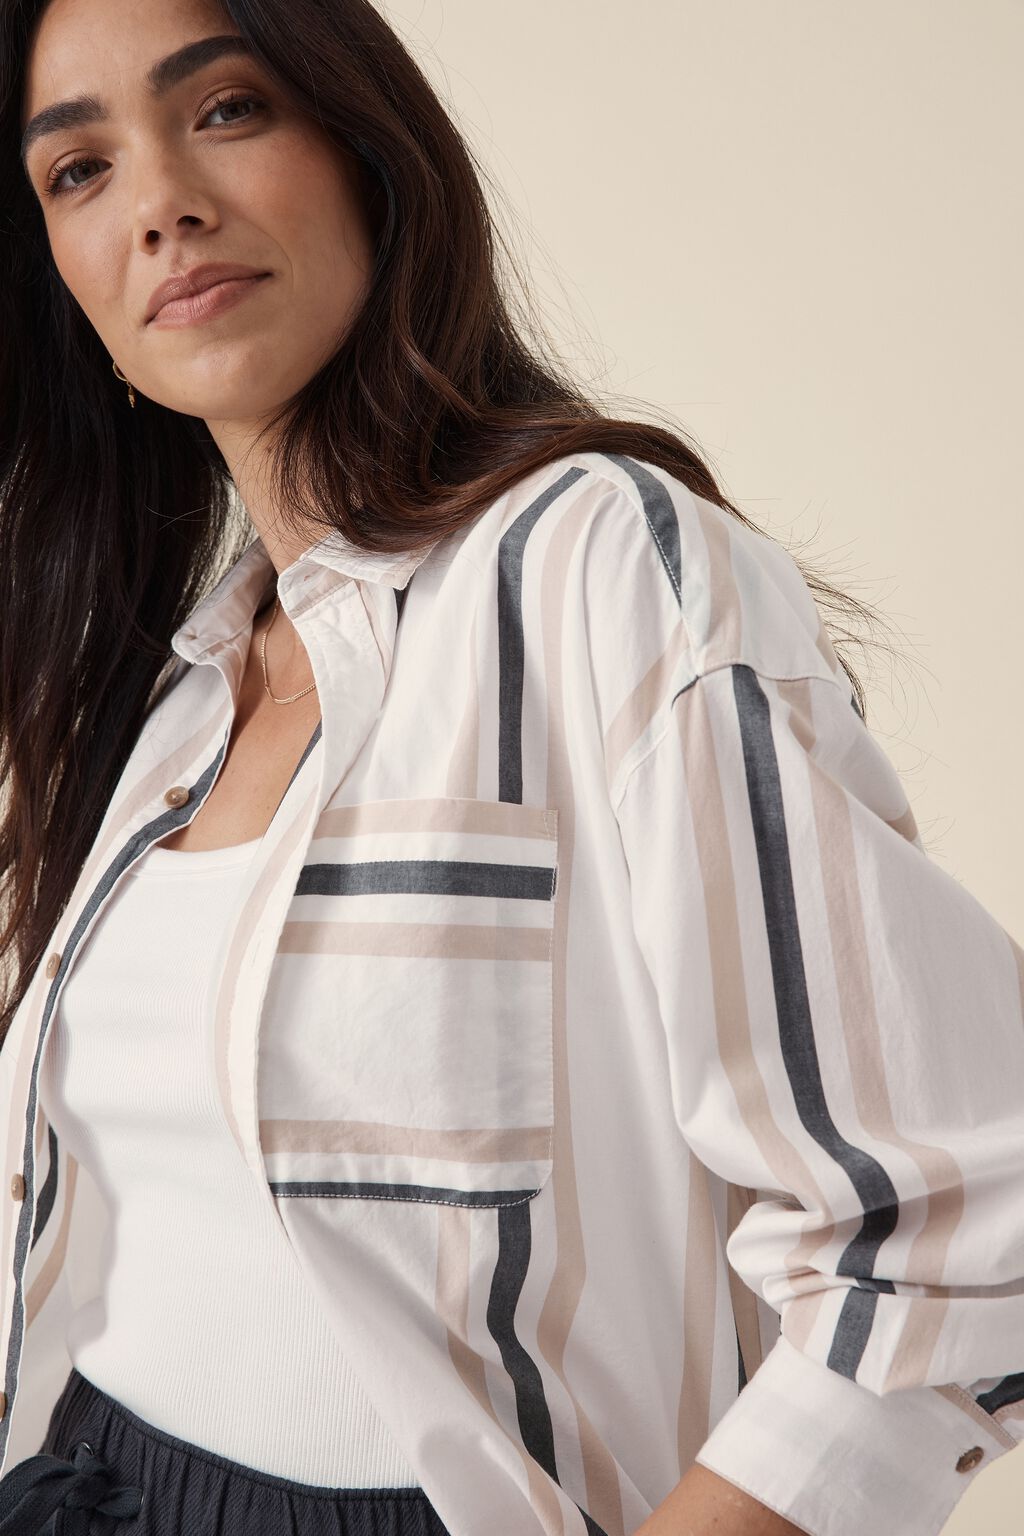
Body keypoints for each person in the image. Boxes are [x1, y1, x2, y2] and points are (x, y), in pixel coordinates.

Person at [0, 0, 1021, 1531]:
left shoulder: (603, 563)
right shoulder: (176, 695)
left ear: (370, 150)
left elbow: (963, 1226)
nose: (161, 205)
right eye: (78, 171)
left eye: (225, 109)